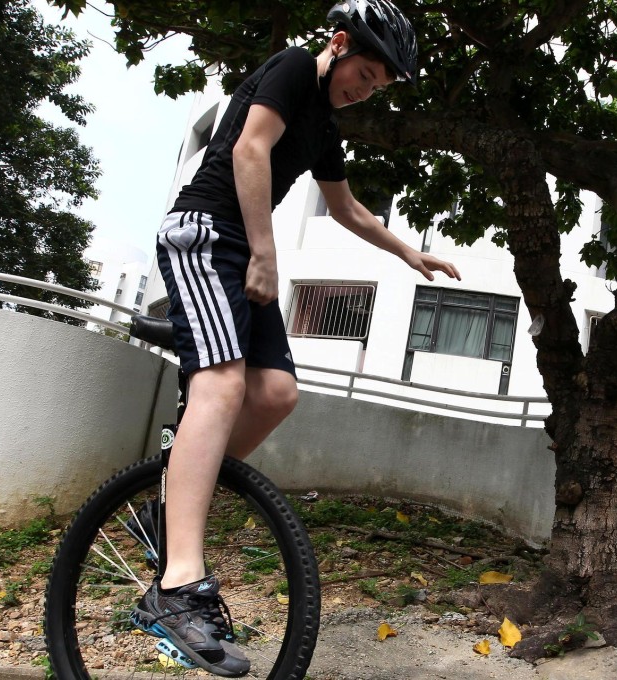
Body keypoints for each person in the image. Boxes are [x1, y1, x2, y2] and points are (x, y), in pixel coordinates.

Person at [133, 0, 461, 675]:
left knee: (277, 393)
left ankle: (166, 508)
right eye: (363, 72)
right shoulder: (289, 69)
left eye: (376, 86)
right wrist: (264, 253)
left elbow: (346, 209)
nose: (364, 89)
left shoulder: (325, 128)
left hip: (241, 251)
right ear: (338, 44)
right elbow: (251, 149)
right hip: (205, 234)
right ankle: (174, 587)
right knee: (222, 383)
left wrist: (409, 253)